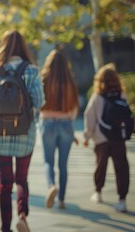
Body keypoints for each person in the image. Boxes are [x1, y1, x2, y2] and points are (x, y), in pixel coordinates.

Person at [0, 30, 45, 232]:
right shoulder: (32, 71)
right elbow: (40, 101)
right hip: (26, 134)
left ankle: (5, 227)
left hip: (1, 135)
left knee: (4, 185)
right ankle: (23, 215)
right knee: (22, 179)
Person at [83, 63, 130, 213]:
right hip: (118, 137)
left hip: (101, 138)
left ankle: (98, 192)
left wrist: (87, 135)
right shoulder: (121, 95)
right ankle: (122, 200)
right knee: (122, 168)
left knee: (100, 166)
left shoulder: (97, 96)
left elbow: (89, 116)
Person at [40, 49, 79, 209]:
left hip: (47, 122)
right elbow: (75, 107)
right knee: (63, 164)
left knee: (48, 161)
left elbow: (37, 103)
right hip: (66, 124)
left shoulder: (44, 79)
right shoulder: (70, 81)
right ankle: (61, 199)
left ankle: (51, 186)